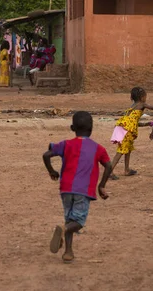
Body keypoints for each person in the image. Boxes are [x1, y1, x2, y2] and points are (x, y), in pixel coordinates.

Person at [43, 111, 112, 263]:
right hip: (83, 190)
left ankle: (68, 252)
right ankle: (65, 232)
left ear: (72, 127)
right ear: (92, 128)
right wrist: (102, 185)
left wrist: (52, 171)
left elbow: (46, 155)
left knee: (69, 219)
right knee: (78, 222)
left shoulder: (66, 144)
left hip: (66, 188)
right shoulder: (98, 148)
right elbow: (108, 166)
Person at [109, 87, 153, 180]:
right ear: (142, 97)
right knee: (121, 151)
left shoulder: (132, 106)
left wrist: (145, 124)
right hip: (127, 131)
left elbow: (133, 122)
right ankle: (109, 171)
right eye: (145, 96)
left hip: (124, 128)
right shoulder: (142, 104)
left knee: (127, 149)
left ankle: (127, 169)